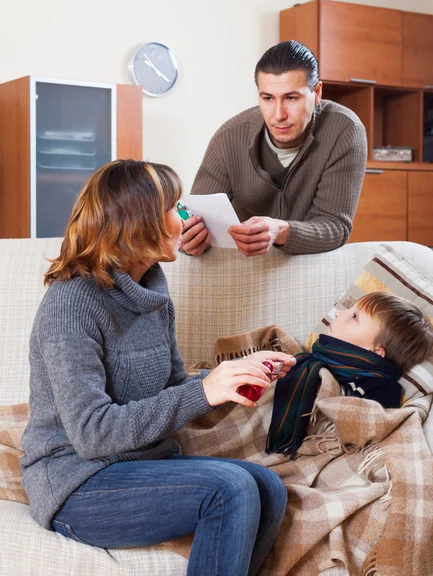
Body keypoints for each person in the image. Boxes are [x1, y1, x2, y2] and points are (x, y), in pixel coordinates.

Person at [20, 159, 296, 576]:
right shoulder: (71, 304)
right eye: (174, 206)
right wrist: (205, 389)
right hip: (76, 482)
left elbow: (172, 391)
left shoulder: (152, 294)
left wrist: (238, 378)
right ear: (138, 221)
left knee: (269, 487)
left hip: (144, 464)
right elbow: (93, 434)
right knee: (231, 489)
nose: (184, 217)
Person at [181, 40, 367, 257]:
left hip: (309, 265)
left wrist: (280, 231)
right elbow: (195, 220)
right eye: (268, 98)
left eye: (291, 98)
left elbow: (336, 227)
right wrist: (189, 241)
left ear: (317, 93)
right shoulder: (228, 137)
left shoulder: (345, 130)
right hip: (242, 268)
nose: (278, 114)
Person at [266, 291, 433, 458]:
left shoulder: (384, 389)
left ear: (375, 350)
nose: (338, 313)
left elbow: (365, 436)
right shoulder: (303, 361)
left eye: (354, 316)